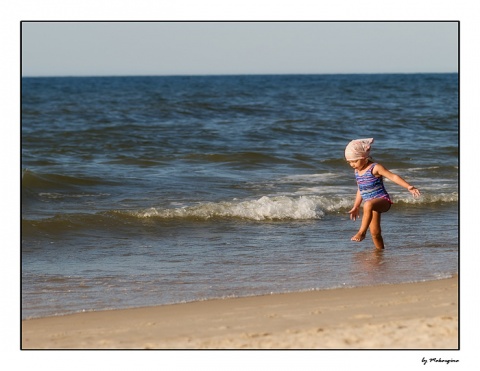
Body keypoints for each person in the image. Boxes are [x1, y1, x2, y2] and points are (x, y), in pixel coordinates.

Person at [345, 138, 420, 249]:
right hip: (371, 205)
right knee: (375, 233)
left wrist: (408, 186)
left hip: (383, 200)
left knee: (368, 204)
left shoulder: (375, 168)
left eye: (355, 161)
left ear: (364, 158)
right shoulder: (357, 171)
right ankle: (380, 253)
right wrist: (356, 206)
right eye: (349, 162)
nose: (352, 164)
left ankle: (362, 232)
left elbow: (393, 176)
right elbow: (360, 189)